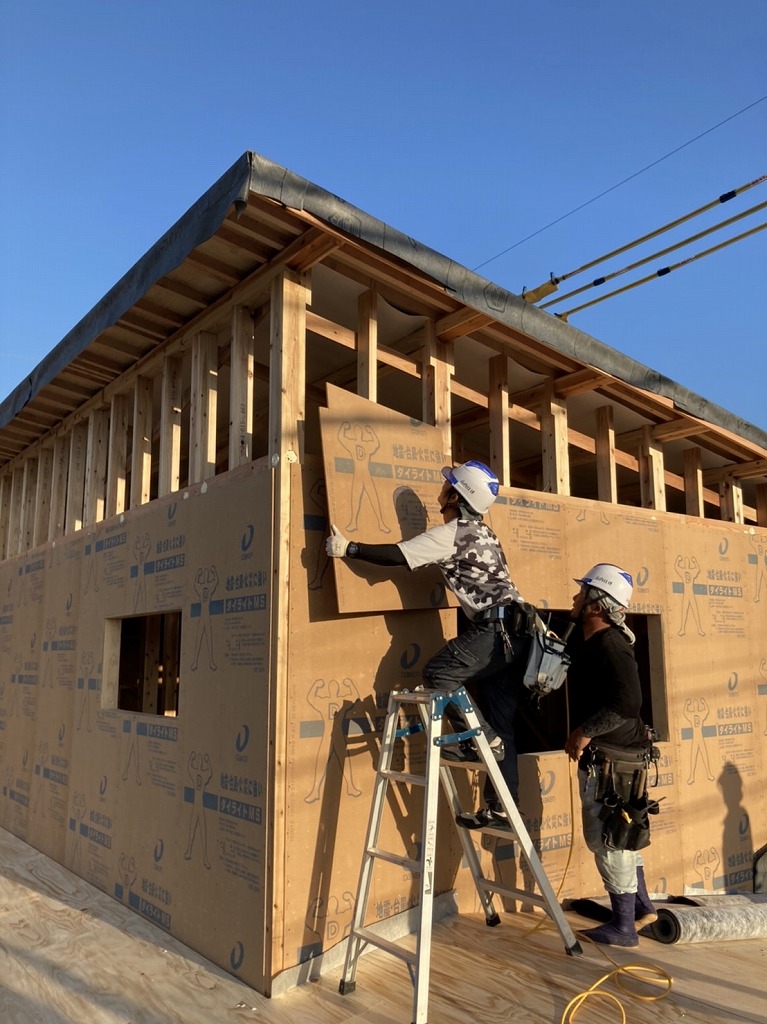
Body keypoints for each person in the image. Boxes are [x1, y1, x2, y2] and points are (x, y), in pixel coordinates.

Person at [326, 460, 530, 826]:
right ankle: (501, 806)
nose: (441, 489)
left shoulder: (454, 533)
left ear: (456, 496)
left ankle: (476, 740)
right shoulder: (486, 534)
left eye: (448, 485)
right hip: (518, 636)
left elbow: (399, 555)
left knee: (438, 673)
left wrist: (349, 549)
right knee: (503, 727)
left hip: (495, 629)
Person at [564, 563, 658, 947]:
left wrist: (584, 731)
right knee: (623, 831)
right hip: (619, 757)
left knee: (609, 839)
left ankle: (623, 927)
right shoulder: (594, 641)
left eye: (581, 592)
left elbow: (628, 701)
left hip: (612, 761)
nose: (574, 597)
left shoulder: (610, 645)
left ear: (595, 606)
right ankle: (639, 910)